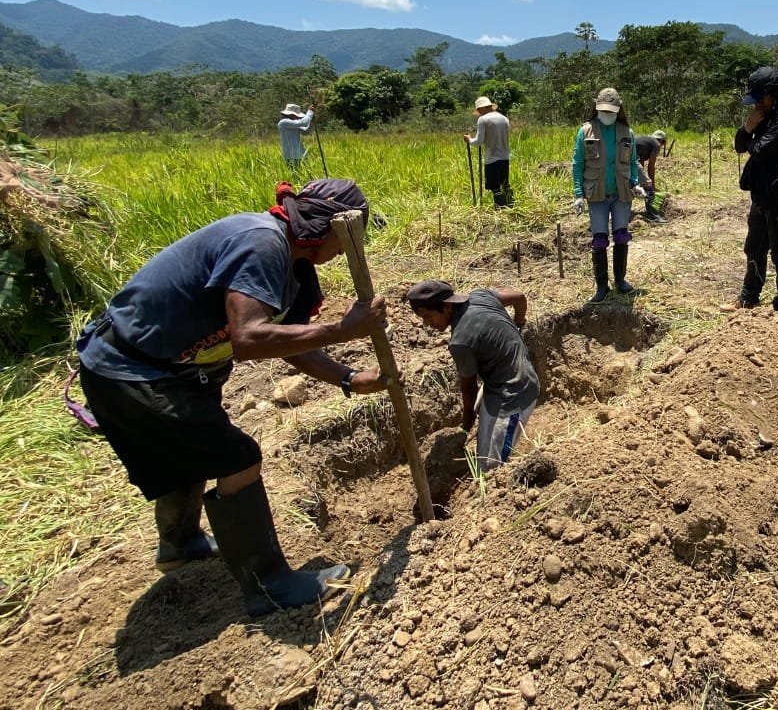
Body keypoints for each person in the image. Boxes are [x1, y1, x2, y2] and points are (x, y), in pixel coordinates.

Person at [75, 179, 389, 618]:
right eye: (349, 239)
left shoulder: (296, 267)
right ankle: (269, 584)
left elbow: (291, 342)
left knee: (195, 452)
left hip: (173, 370)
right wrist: (342, 330)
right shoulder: (261, 244)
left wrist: (349, 378)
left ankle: (180, 545)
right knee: (237, 457)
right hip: (132, 368)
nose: (349, 251)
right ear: (328, 230)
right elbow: (249, 337)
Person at [406, 281, 539, 472]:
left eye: (429, 316)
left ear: (447, 306)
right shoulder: (481, 296)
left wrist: (465, 427)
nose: (427, 324)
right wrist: (519, 322)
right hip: (509, 375)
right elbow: (519, 297)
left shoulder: (461, 341)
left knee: (488, 468)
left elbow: (469, 389)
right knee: (482, 416)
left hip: (515, 393)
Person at [727, 66, 778, 316]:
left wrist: (752, 137)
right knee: (754, 247)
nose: (757, 105)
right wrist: (747, 127)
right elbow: (740, 146)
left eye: (759, 98)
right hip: (763, 194)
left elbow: (762, 150)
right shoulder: (765, 113)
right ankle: (749, 298)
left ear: (772, 94)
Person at [572, 88, 648, 303]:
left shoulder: (626, 132)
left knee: (622, 235)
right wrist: (578, 194)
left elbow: (632, 162)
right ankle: (602, 286)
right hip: (596, 194)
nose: (607, 115)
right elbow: (578, 164)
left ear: (618, 110)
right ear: (597, 109)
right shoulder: (585, 131)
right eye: (604, 111)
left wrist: (636, 183)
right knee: (599, 239)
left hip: (621, 192)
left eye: (611, 112)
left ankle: (621, 281)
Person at [464, 96, 513, 208]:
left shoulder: (483, 119)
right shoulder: (504, 119)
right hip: (505, 157)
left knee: (495, 188)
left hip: (492, 158)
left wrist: (469, 139)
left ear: (481, 109)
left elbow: (478, 142)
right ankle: (510, 205)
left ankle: (500, 209)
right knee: (505, 184)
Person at [633, 129, 667, 222]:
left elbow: (641, 164)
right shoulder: (656, 144)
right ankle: (653, 216)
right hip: (631, 160)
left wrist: (640, 180)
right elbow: (651, 166)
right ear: (662, 141)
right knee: (648, 185)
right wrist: (651, 185)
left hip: (621, 159)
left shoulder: (645, 142)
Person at [278, 104, 313, 174]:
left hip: (299, 155)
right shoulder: (284, 122)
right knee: (296, 175)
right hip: (291, 156)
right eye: (296, 115)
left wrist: (310, 119)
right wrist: (310, 112)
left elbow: (305, 130)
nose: (297, 117)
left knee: (303, 175)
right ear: (291, 114)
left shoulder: (293, 124)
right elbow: (303, 123)